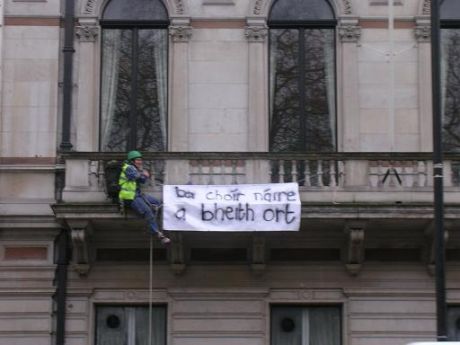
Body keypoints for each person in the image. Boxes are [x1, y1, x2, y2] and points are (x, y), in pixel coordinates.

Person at [118, 150, 171, 245]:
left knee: (158, 203)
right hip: (130, 197)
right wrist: (144, 175)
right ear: (132, 161)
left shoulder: (135, 169)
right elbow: (138, 178)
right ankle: (157, 233)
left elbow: (141, 180)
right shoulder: (128, 168)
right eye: (138, 160)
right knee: (148, 212)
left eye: (140, 160)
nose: (140, 162)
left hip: (138, 194)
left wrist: (143, 175)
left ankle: (151, 225)